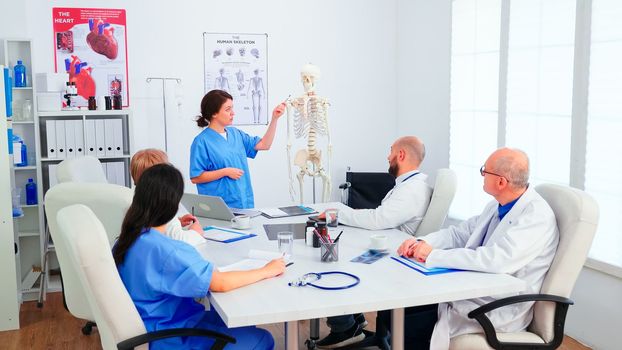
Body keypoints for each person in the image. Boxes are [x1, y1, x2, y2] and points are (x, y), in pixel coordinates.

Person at [387, 148, 559, 349]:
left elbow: (496, 260)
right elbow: (459, 233)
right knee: (400, 313)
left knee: (408, 328)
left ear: (501, 182)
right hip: (474, 292)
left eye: (485, 171)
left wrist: (434, 256)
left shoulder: (536, 216)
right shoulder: (498, 205)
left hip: (498, 307)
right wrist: (422, 242)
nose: (482, 175)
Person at [113, 163, 285, 350]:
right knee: (262, 339)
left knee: (241, 320)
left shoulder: (127, 239)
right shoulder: (167, 251)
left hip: (155, 327)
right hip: (172, 337)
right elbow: (220, 283)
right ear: (172, 206)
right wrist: (267, 270)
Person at [315, 136, 433, 349]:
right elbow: (383, 216)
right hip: (388, 247)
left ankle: (345, 328)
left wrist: (340, 212)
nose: (388, 157)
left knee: (331, 262)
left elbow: (379, 219)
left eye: (390, 152)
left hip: (392, 257)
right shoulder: (408, 185)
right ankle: (353, 319)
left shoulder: (412, 190)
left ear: (401, 155)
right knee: (336, 249)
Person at [190, 89, 286, 209]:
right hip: (220, 207)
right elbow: (196, 177)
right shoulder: (201, 141)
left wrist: (275, 118)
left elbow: (264, 145)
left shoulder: (236, 134)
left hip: (243, 202)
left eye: (232, 108)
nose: (233, 113)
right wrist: (225, 171)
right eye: (227, 109)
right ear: (214, 113)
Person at [130, 148, 204, 247]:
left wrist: (177, 222)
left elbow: (155, 229)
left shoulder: (136, 200)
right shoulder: (163, 205)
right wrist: (195, 232)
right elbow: (181, 241)